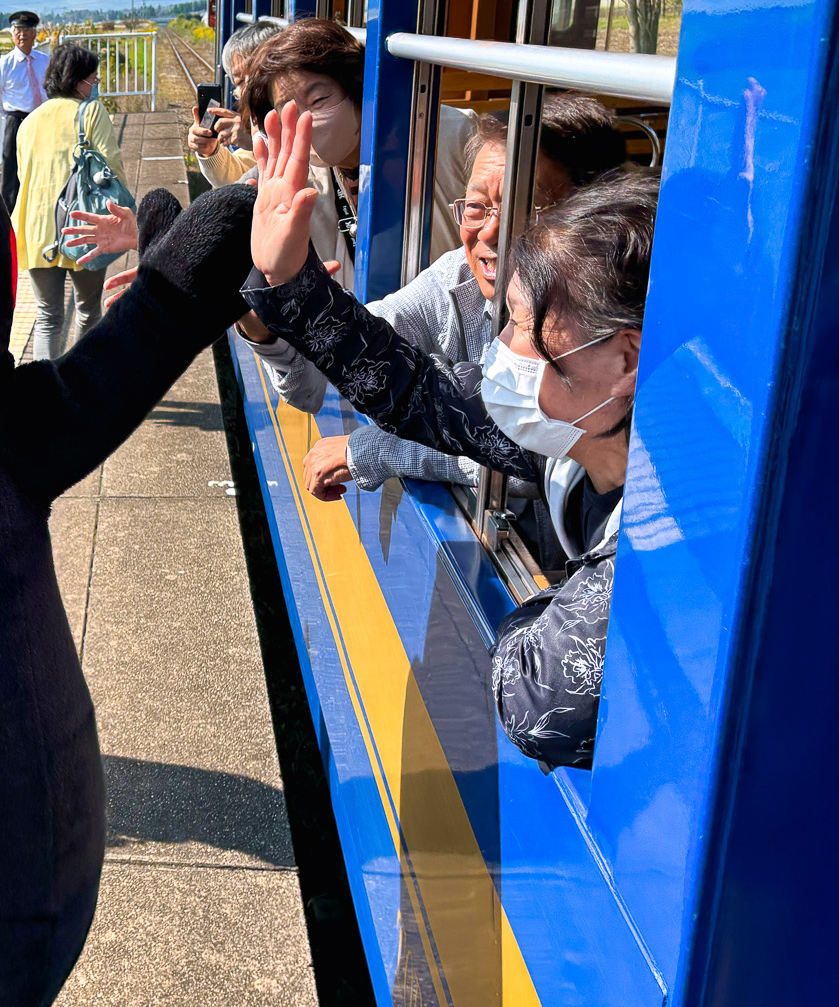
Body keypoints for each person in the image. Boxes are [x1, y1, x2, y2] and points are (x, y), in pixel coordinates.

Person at [239, 100, 654, 771]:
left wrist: (550, 600)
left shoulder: (655, 542)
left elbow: (536, 703)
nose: (501, 350)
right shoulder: (582, 435)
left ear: (624, 360)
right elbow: (418, 392)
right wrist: (291, 282)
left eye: (523, 325)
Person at [243, 93, 629, 500]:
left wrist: (385, 449)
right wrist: (285, 285)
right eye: (477, 206)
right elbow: (404, 383)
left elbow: (536, 457)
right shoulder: (457, 278)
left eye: (526, 209)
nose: (490, 232)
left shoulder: (602, 329)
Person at [197, 19, 478, 292]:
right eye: (289, 111)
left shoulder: (450, 136)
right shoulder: (299, 178)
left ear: (356, 89)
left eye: (318, 100)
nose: (306, 120)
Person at [11, 41, 130, 360]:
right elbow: (112, 167)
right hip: (84, 226)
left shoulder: (29, 122)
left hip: (38, 230)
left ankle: (43, 395)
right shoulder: (91, 112)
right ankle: (80, 387)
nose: (96, 85)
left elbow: (24, 176)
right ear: (78, 82)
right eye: (94, 79)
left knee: (47, 317)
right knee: (88, 311)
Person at [187, 22, 278, 183]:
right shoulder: (253, 119)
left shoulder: (305, 110)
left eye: (259, 71)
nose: (250, 86)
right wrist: (211, 151)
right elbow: (238, 176)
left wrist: (258, 139)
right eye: (241, 80)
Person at [0, 10, 49, 212]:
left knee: (42, 163)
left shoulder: (44, 61)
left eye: (26, 30)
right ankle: (10, 215)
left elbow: (52, 90)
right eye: (18, 30)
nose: (22, 34)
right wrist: (10, 117)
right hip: (16, 119)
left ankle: (42, 207)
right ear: (12, 34)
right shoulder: (4, 64)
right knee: (10, 169)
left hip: (41, 119)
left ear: (34, 34)